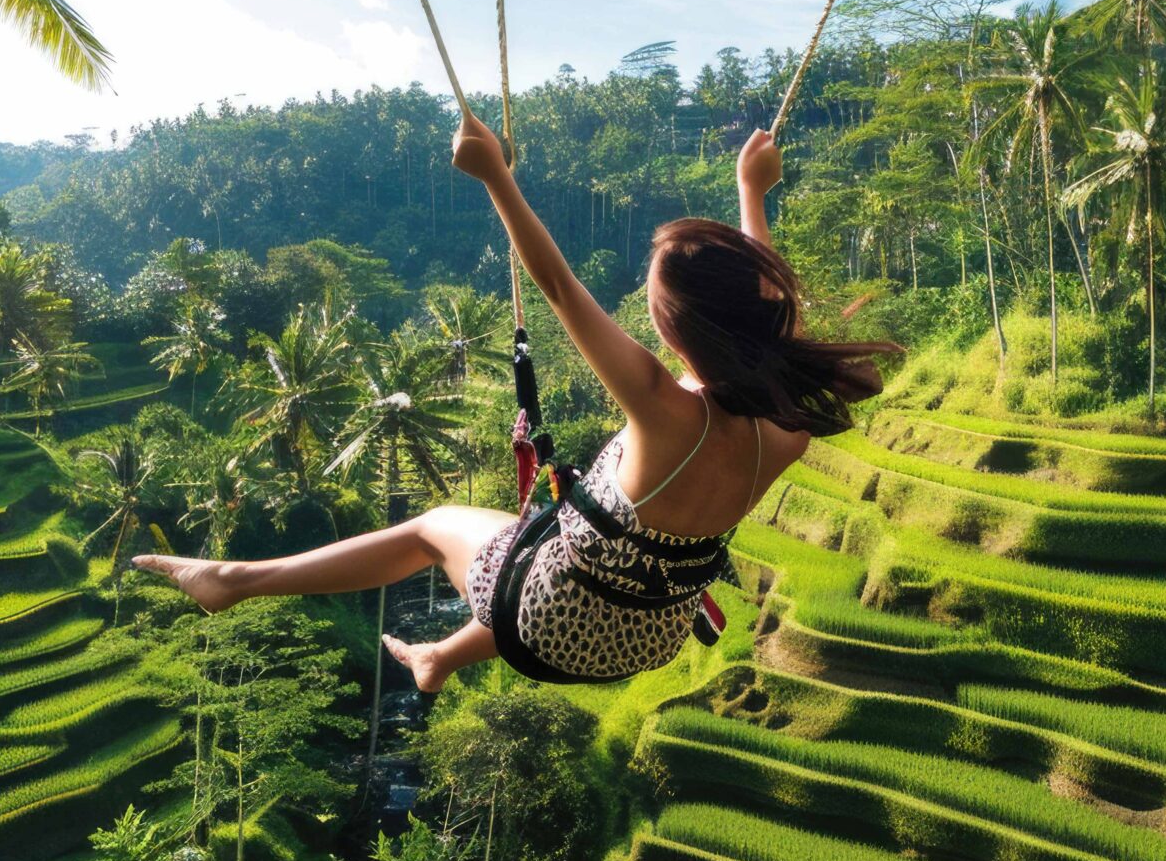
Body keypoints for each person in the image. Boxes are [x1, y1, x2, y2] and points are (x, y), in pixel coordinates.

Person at [134, 111, 892, 690]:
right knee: (544, 547)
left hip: (553, 618)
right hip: (648, 636)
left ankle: (233, 581)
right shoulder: (788, 424)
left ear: (675, 332)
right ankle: (437, 656)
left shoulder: (665, 410)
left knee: (442, 529)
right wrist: (751, 194)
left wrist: (496, 177)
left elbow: (559, 287)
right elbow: (773, 316)